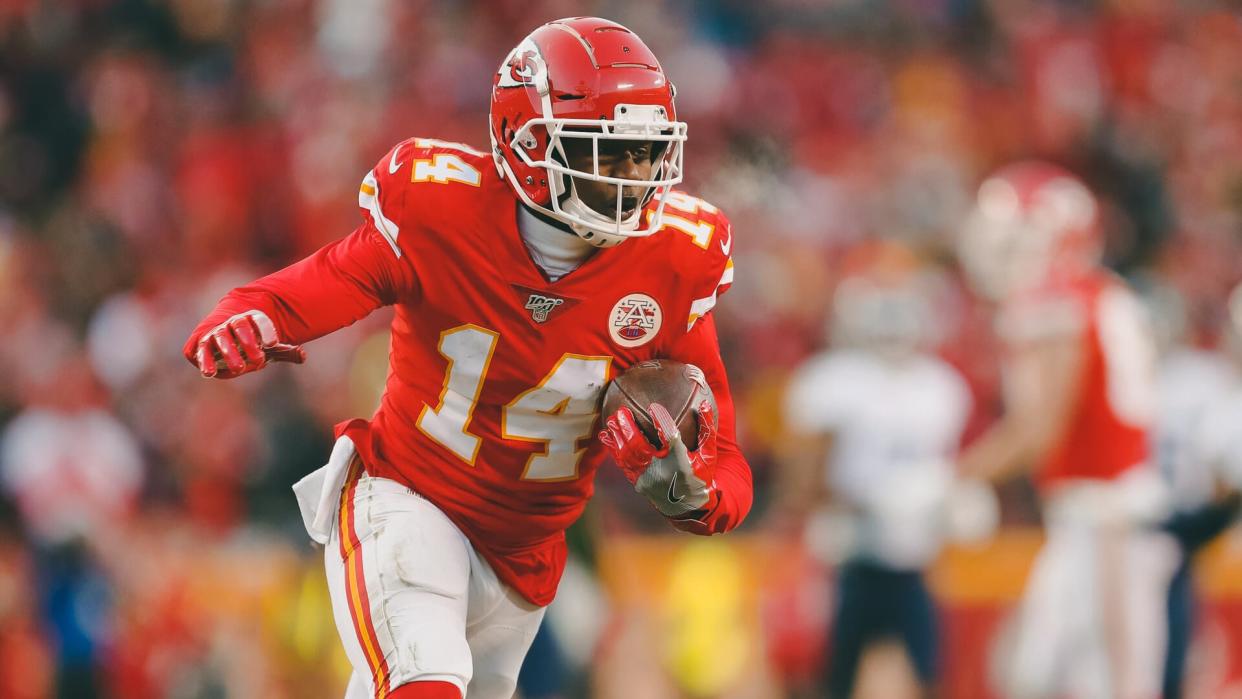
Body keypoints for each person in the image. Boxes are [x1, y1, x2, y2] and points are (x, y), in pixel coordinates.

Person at [182, 17, 753, 699]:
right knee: (426, 684)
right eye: (609, 152)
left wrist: (698, 492)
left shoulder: (673, 257)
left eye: (644, 151)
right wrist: (248, 313)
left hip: (526, 554)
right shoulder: (440, 208)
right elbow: (329, 278)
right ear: (528, 143)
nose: (634, 175)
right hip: (411, 498)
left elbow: (727, 458)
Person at [956, 162, 1176, 699]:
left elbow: (1039, 427)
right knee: (1036, 677)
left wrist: (952, 480)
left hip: (1106, 523)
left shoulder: (1059, 300)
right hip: (1098, 518)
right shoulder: (1100, 292)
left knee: (1105, 685)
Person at [781, 247, 972, 699]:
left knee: (926, 675)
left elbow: (946, 474)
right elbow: (800, 484)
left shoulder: (941, 386)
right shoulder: (833, 380)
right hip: (843, 558)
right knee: (827, 678)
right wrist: (866, 502)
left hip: (913, 562)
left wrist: (946, 504)